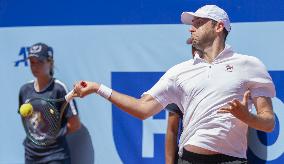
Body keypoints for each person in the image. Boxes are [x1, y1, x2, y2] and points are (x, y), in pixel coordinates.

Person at [74, 5, 275, 164]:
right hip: (189, 159)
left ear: (218, 26)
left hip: (232, 160)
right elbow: (143, 109)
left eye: (198, 22)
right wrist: (98, 88)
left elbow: (268, 123)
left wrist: (247, 117)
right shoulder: (179, 71)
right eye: (191, 24)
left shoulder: (250, 65)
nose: (191, 28)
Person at [19, 43, 81, 164]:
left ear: (50, 62)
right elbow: (27, 123)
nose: (35, 66)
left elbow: (75, 124)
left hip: (55, 156)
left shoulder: (59, 89)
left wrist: (52, 136)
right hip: (31, 155)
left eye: (40, 62)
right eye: (32, 62)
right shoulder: (24, 90)